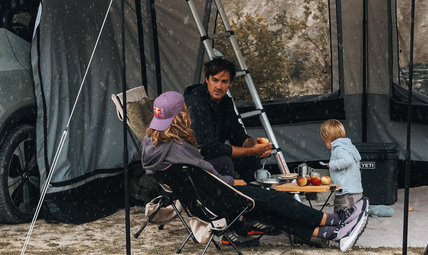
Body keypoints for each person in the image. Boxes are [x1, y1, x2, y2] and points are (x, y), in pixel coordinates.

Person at [142, 91, 352, 246]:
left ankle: (324, 233)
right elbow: (205, 175)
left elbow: (197, 178)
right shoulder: (179, 149)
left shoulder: (151, 146)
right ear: (181, 116)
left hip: (198, 203)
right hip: (217, 199)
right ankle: (334, 219)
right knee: (273, 199)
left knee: (264, 210)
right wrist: (232, 182)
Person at [184, 57, 272, 182]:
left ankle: (250, 193)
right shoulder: (195, 102)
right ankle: (226, 194)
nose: (219, 86)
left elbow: (236, 134)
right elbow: (209, 148)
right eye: (215, 80)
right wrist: (251, 151)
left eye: (224, 81)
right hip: (190, 161)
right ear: (207, 79)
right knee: (224, 161)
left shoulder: (225, 102)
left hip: (211, 156)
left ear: (230, 83)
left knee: (251, 158)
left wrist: (253, 144)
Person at [320, 119, 370, 251]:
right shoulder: (349, 146)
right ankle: (351, 234)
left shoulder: (338, 148)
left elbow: (347, 161)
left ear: (328, 137)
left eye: (324, 141)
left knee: (342, 215)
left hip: (346, 191)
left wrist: (331, 165)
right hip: (355, 189)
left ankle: (343, 236)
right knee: (353, 216)